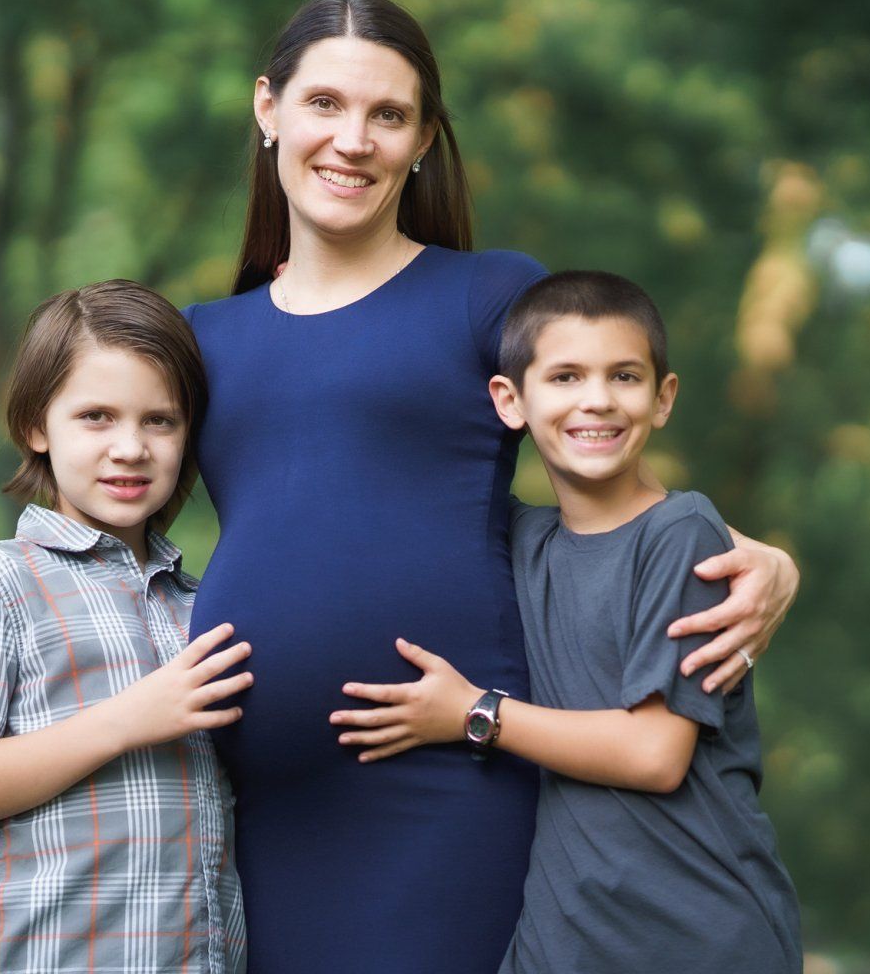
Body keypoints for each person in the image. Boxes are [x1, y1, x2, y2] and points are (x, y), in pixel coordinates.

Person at [0, 0, 803, 973]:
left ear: (422, 141)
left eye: (389, 115)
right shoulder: (204, 340)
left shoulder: (490, 295)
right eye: (325, 103)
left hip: (447, 783)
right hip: (254, 811)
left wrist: (770, 561)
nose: (353, 139)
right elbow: (100, 513)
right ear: (267, 108)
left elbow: (611, 471)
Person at [330, 269, 803, 972]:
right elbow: (401, 458)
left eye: (624, 376)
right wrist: (328, 295)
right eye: (566, 377)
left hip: (703, 935)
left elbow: (655, 754)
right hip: (569, 942)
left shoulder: (682, 532)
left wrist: (471, 713)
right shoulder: (519, 543)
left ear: (663, 398)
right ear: (510, 400)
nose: (597, 401)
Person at [0, 281, 251, 974]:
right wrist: (128, 719)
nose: (131, 447)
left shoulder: (203, 606)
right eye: (96, 416)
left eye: (161, 421)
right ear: (38, 424)